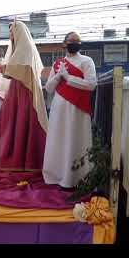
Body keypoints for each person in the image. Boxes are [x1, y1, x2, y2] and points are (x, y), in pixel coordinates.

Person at [0, 20, 48, 171]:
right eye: (9, 32)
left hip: (26, 90)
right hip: (16, 89)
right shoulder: (17, 49)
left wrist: (5, 68)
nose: (10, 35)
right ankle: (13, 161)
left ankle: (26, 162)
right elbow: (14, 71)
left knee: (23, 120)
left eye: (12, 32)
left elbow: (23, 70)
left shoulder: (26, 47)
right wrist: (5, 69)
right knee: (11, 121)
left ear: (19, 32)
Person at [42, 32, 97, 188]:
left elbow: (91, 84)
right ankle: (55, 176)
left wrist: (68, 77)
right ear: (64, 43)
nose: (73, 43)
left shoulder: (87, 61)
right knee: (57, 141)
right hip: (59, 108)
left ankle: (76, 178)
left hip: (77, 109)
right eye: (70, 40)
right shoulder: (58, 63)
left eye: (76, 41)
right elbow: (49, 88)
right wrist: (58, 76)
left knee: (75, 140)